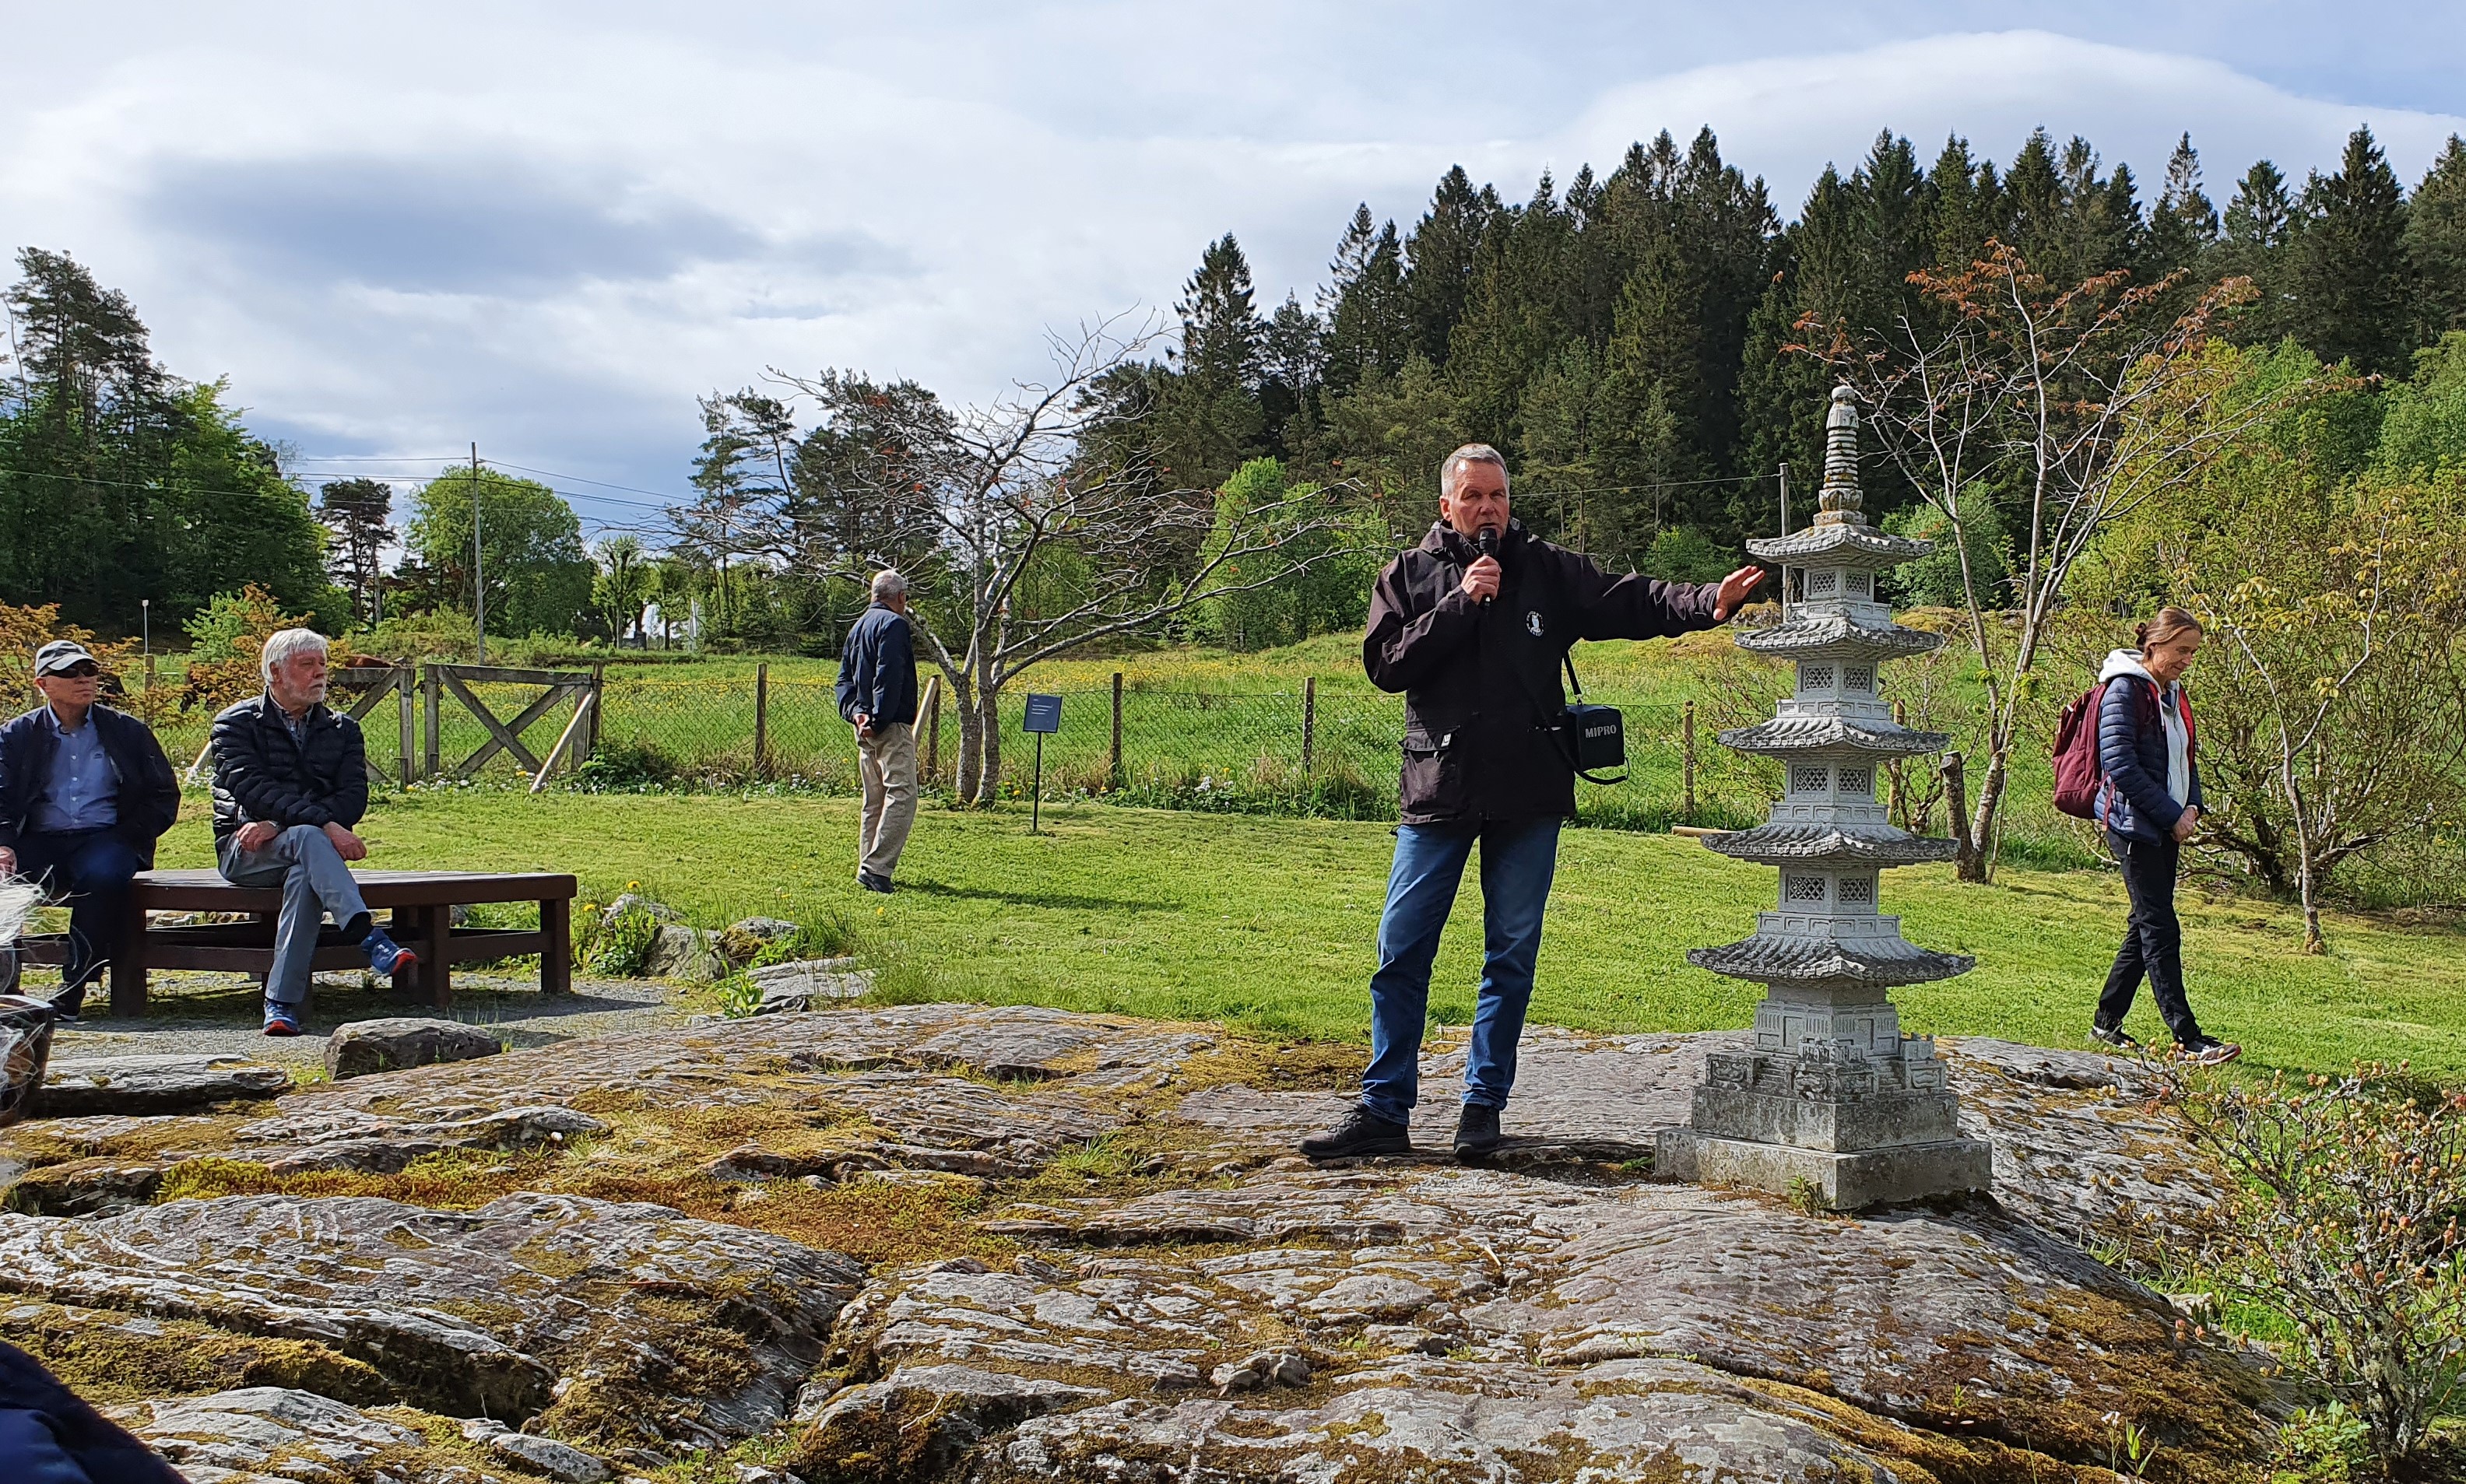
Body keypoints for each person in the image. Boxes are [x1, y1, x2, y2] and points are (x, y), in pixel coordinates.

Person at [1302, 444, 1766, 1160]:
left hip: (1528, 790)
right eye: (1473, 497)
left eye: (1498, 495)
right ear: (1446, 506)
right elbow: (1386, 665)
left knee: (1511, 954)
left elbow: (1632, 598)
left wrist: (1708, 601)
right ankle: (1384, 1110)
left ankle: (1482, 1107)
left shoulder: (1546, 568)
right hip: (1439, 789)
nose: (1488, 508)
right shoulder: (1408, 574)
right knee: (1402, 950)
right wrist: (1460, 603)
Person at [210, 629, 414, 1036]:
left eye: (322, 664)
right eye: (307, 665)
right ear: (275, 672)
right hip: (246, 849)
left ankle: (280, 1004)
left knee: (305, 871)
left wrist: (281, 822)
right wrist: (316, 823)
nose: (320, 673)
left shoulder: (343, 729)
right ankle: (367, 936)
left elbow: (352, 799)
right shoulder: (234, 724)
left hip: (303, 850)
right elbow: (252, 788)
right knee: (308, 837)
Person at [0, 640, 181, 1021]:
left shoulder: (127, 731)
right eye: (69, 673)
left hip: (105, 837)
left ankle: (74, 987)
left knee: (104, 877)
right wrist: (4, 844)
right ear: (42, 684)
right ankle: (7, 991)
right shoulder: (17, 735)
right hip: (37, 839)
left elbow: (163, 794)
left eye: (89, 671)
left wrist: (129, 836)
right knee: (1, 880)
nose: (83, 679)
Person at [2092, 606, 2239, 1065]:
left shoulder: (2171, 693)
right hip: (2133, 826)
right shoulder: (2123, 690)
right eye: (2181, 650)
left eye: (2193, 652)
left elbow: (2185, 758)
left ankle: (2106, 1022)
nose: (2187, 660)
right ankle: (2189, 1039)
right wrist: (2173, 815)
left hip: (2164, 825)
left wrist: (2192, 806)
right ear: (2154, 646)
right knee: (2160, 927)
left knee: (2145, 923)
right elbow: (2120, 765)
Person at [837, 570, 919, 894]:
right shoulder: (894, 624)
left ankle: (866, 864)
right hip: (889, 725)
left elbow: (844, 679)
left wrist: (856, 713)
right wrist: (879, 719)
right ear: (900, 597)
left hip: (862, 724)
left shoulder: (858, 627)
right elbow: (889, 675)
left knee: (874, 799)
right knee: (903, 793)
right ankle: (877, 869)